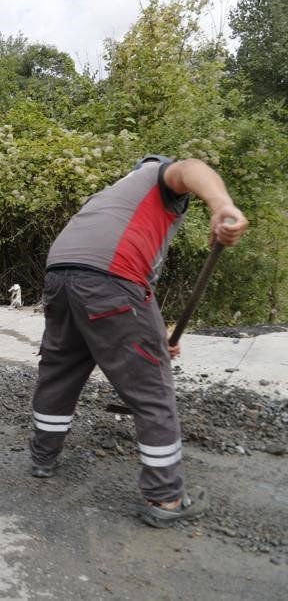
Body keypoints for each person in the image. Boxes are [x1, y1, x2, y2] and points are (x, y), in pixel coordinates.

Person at [28, 155, 249, 528]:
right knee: (152, 389)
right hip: (109, 278)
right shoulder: (158, 177)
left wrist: (155, 335)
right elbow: (191, 167)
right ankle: (166, 497)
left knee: (59, 371)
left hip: (60, 276)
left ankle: (42, 458)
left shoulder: (112, 198)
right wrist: (222, 205)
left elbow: (129, 297)